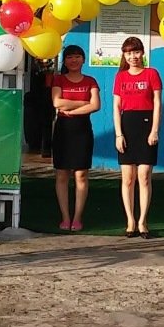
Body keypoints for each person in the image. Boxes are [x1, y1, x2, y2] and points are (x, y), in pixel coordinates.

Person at [112, 36, 162, 239]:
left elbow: (157, 103)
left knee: (144, 176)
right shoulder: (121, 77)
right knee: (128, 178)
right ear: (124, 55)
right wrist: (118, 134)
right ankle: (130, 221)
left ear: (142, 53)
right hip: (126, 126)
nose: (133, 56)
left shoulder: (152, 74)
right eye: (128, 53)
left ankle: (142, 221)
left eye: (136, 52)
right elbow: (116, 107)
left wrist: (154, 130)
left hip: (146, 125)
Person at [51, 45, 100, 232]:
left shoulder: (90, 81)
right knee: (62, 174)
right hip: (63, 129)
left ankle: (77, 217)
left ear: (83, 59)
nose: (74, 60)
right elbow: (57, 102)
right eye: (70, 57)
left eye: (77, 56)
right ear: (65, 60)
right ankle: (65, 217)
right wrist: (83, 103)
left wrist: (72, 110)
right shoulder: (59, 80)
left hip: (83, 130)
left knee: (81, 174)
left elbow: (95, 105)